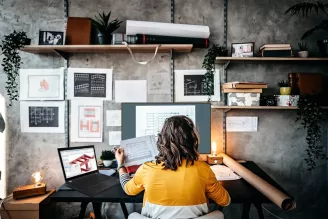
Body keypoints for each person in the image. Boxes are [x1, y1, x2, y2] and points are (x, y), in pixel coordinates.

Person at [115, 115, 230, 219]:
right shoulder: (203, 169)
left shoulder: (147, 169)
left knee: (132, 216)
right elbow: (225, 201)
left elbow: (128, 189)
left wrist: (121, 165)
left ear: (162, 140)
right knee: (219, 214)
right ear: (192, 141)